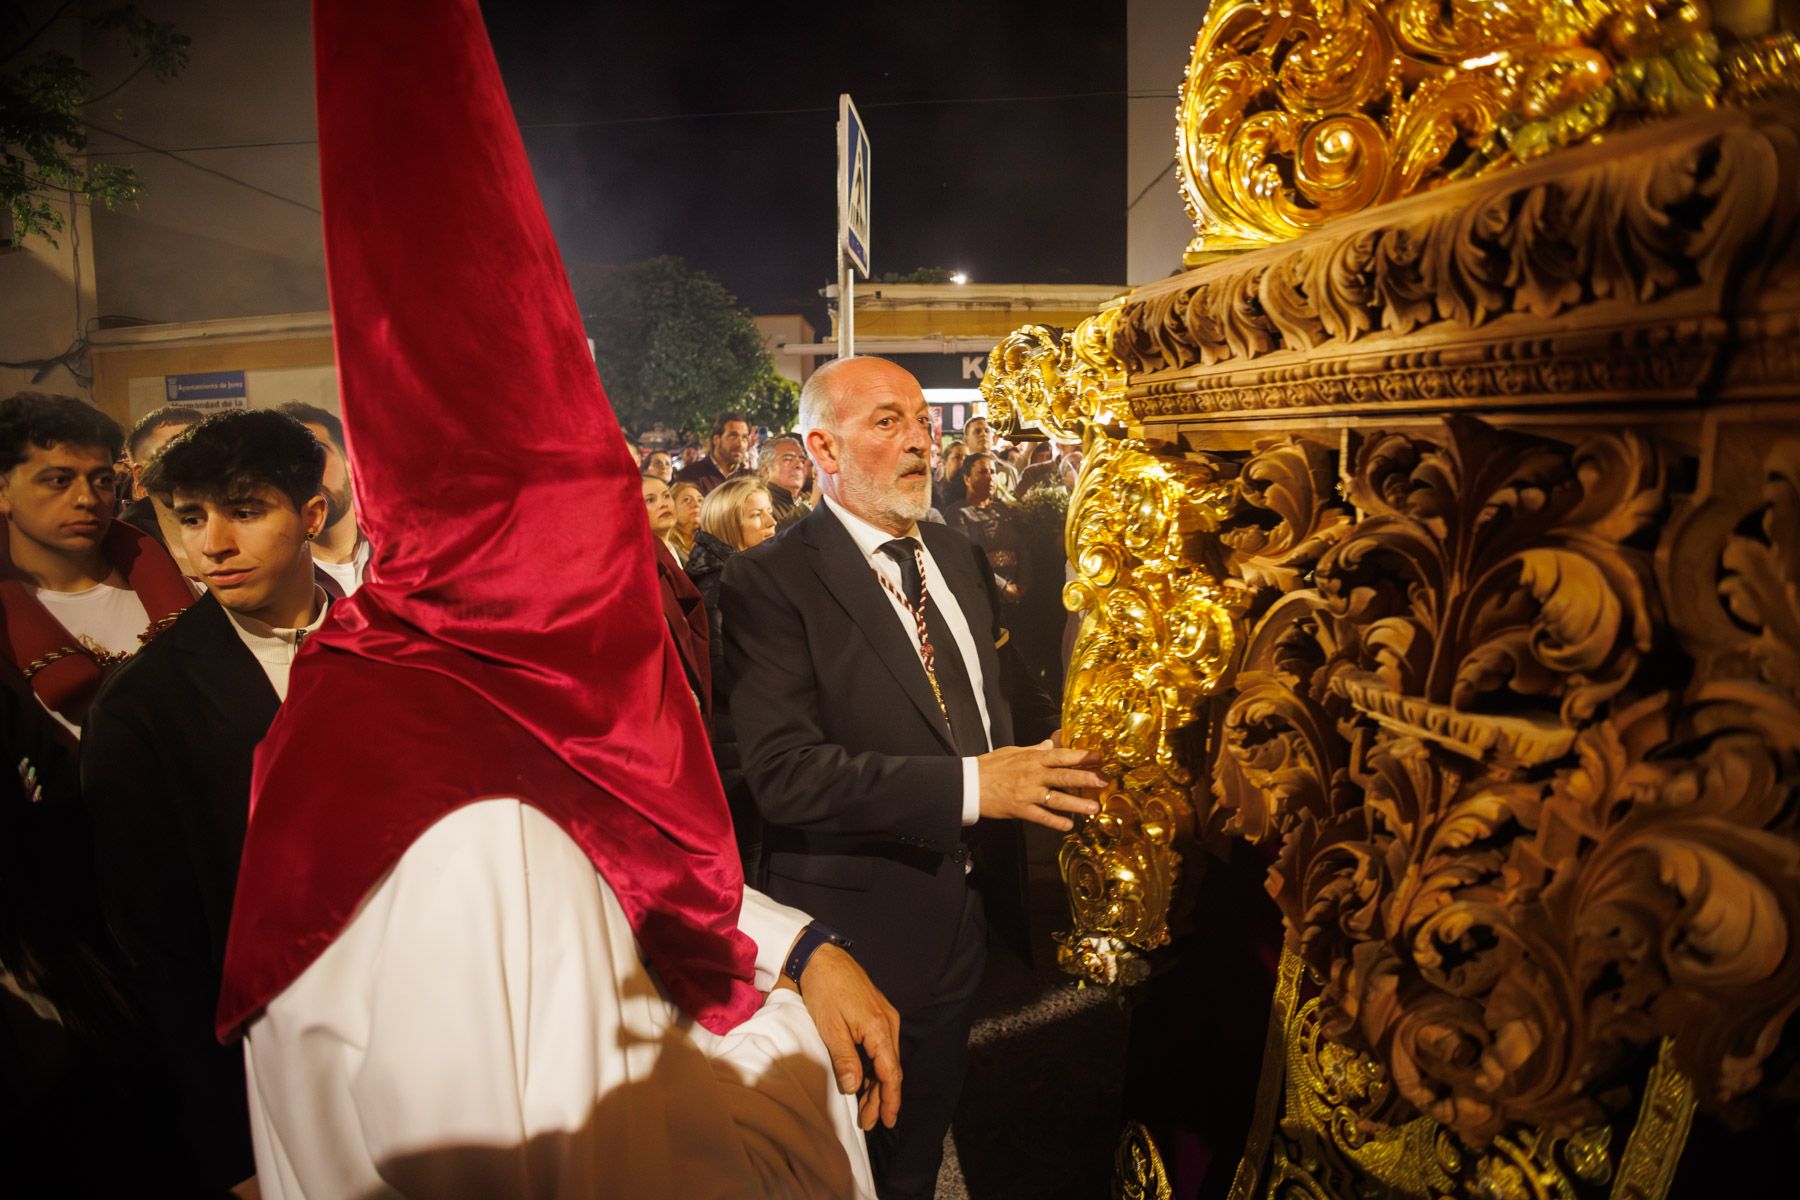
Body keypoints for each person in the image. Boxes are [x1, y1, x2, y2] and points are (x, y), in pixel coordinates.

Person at [222, 6, 894, 1194]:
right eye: (591, 520)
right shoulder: (477, 844)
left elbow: (631, 857)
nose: (626, 556)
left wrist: (798, 946)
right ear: (515, 558)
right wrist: (789, 1062)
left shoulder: (433, 699)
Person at [722, 355, 1106, 1200]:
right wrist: (975, 788)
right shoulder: (768, 584)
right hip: (855, 935)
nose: (919, 443)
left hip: (966, 922)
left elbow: (984, 706)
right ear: (820, 446)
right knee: (856, 1168)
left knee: (921, 1152)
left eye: (922, 422)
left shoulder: (957, 555)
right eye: (887, 422)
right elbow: (786, 774)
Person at [81, 409, 331, 1196]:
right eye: (191, 518)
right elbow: (163, 951)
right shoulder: (142, 707)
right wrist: (233, 1148)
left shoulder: (399, 650)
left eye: (245, 511)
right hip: (280, 1074)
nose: (209, 545)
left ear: (312, 515)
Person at [0, 392, 194, 740]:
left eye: (102, 480)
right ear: (3, 490)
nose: (87, 499)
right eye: (59, 480)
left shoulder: (183, 592)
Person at [686, 475, 778, 873]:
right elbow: (725, 670)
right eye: (756, 515)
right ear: (728, 523)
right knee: (749, 866)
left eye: (770, 512)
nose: (770, 523)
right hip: (735, 746)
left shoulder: (749, 572)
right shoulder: (720, 583)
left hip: (750, 740)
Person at [277, 401, 370, 595]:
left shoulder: (402, 554)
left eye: (316, 455)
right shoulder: (277, 580)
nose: (303, 472)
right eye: (287, 464)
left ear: (351, 465)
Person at [642, 472, 709, 712]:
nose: (662, 503)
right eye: (650, 500)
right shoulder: (643, 562)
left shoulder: (672, 552)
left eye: (665, 496)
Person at [948, 451, 1029, 609]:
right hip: (983, 596)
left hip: (1017, 594)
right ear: (967, 479)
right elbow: (968, 558)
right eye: (982, 472)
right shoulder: (958, 513)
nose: (990, 477)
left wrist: (1023, 583)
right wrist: (1002, 587)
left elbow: (1023, 549)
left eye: (993, 472)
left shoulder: (1005, 510)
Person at [118, 405, 204, 544]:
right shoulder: (121, 549)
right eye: (173, 454)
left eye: (202, 452)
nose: (192, 464)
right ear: (140, 477)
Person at [674, 409, 751, 495]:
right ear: (716, 439)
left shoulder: (750, 479)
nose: (740, 444)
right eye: (732, 436)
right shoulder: (690, 476)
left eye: (744, 438)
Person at [760, 433, 813, 532]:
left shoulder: (807, 498)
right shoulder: (760, 504)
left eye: (802, 460)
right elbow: (771, 541)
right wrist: (811, 505)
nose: (799, 465)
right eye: (788, 459)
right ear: (766, 470)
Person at [668, 478, 704, 565]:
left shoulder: (713, 542)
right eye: (687, 500)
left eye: (700, 500)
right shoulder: (666, 547)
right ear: (672, 507)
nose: (696, 505)